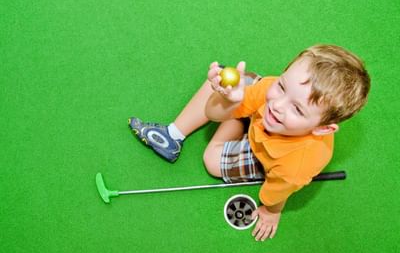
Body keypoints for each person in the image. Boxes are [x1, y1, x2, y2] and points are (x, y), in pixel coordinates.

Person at [128, 44, 370, 241]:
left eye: (297, 108)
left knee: (211, 161)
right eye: (283, 85)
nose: (277, 105)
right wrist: (229, 100)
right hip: (257, 120)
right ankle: (173, 135)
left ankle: (238, 122)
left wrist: (271, 211)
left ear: (323, 128)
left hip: (264, 155)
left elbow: (276, 192)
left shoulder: (297, 165)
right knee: (224, 80)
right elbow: (213, 113)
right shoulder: (271, 91)